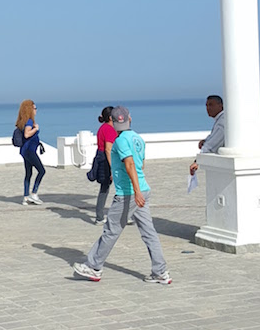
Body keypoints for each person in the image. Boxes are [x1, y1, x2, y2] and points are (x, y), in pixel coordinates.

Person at [73, 105, 171, 284]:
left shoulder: (120, 141)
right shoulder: (137, 139)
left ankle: (94, 267)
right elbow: (140, 164)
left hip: (129, 193)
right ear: (129, 119)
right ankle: (160, 271)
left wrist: (136, 191)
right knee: (149, 232)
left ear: (113, 122)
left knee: (111, 231)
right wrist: (137, 187)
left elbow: (130, 164)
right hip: (142, 189)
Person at [87, 106, 116, 223]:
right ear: (110, 117)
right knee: (107, 188)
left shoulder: (103, 128)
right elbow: (108, 149)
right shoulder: (109, 129)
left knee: (105, 188)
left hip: (100, 157)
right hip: (105, 160)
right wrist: (113, 167)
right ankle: (100, 217)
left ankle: (100, 216)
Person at [16, 99, 45, 205]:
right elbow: (27, 135)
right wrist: (36, 129)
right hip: (30, 151)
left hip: (24, 151)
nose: (36, 110)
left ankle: (25, 197)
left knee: (28, 173)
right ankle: (34, 194)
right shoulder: (29, 121)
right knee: (42, 171)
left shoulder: (22, 121)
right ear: (29, 109)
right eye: (34, 108)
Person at [189, 95, 225, 176]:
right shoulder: (221, 119)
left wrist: (197, 162)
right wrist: (205, 141)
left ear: (220, 105)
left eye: (211, 105)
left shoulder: (222, 122)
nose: (208, 108)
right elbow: (213, 137)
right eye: (207, 105)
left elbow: (212, 145)